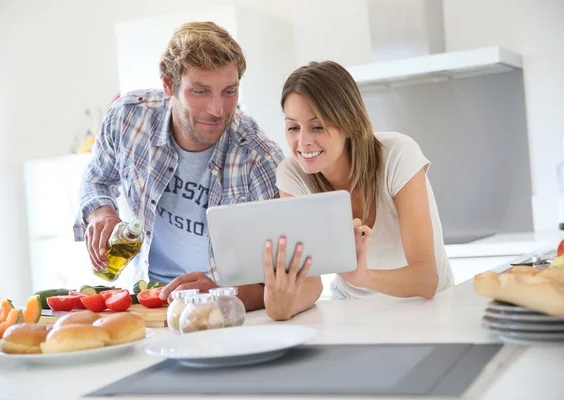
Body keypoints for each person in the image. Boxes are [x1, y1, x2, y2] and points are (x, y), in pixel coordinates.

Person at [73, 21, 284, 311]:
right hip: (146, 302)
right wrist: (101, 211)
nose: (217, 110)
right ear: (169, 84)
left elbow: (287, 281)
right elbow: (96, 179)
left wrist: (223, 293)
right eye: (201, 92)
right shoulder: (128, 117)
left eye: (229, 91)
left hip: (222, 314)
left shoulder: (259, 158)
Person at [262, 61, 454, 320]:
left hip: (426, 310)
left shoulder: (397, 155)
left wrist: (364, 277)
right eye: (293, 127)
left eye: (317, 126)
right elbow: (311, 283)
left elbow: (426, 278)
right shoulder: (292, 174)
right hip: (353, 311)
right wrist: (279, 304)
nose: (303, 141)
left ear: (348, 124)